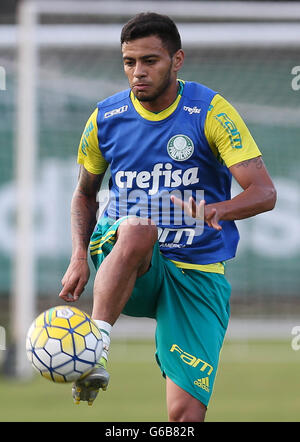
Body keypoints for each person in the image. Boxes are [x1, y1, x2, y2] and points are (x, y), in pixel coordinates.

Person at [59, 12, 276, 421]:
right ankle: (94, 350)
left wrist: (215, 210)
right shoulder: (105, 118)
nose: (137, 72)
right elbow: (84, 195)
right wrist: (77, 257)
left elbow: (264, 193)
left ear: (177, 60)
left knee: (185, 418)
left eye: (150, 61)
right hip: (129, 257)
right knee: (141, 226)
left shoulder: (210, 111)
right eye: (129, 62)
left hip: (197, 269)